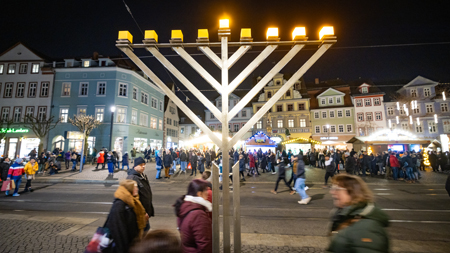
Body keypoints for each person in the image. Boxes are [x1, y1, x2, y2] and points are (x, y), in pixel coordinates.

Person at [327, 174, 389, 252]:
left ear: (352, 192)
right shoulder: (347, 216)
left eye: (337, 189)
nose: (332, 192)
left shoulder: (366, 230)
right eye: (332, 188)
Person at [104, 180, 147, 253]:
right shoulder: (119, 205)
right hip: (124, 244)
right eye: (135, 187)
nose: (137, 189)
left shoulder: (132, 201)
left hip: (132, 240)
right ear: (129, 189)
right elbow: (118, 230)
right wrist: (123, 249)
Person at [174, 179, 212, 253]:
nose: (208, 193)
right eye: (206, 190)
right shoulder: (198, 215)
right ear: (199, 194)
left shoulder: (184, 206)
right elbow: (204, 245)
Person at [127, 157, 154, 231]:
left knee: (145, 230)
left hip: (144, 212)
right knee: (142, 233)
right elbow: (132, 199)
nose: (143, 166)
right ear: (135, 166)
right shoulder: (132, 178)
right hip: (139, 214)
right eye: (141, 165)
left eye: (144, 164)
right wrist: (142, 212)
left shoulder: (142, 176)